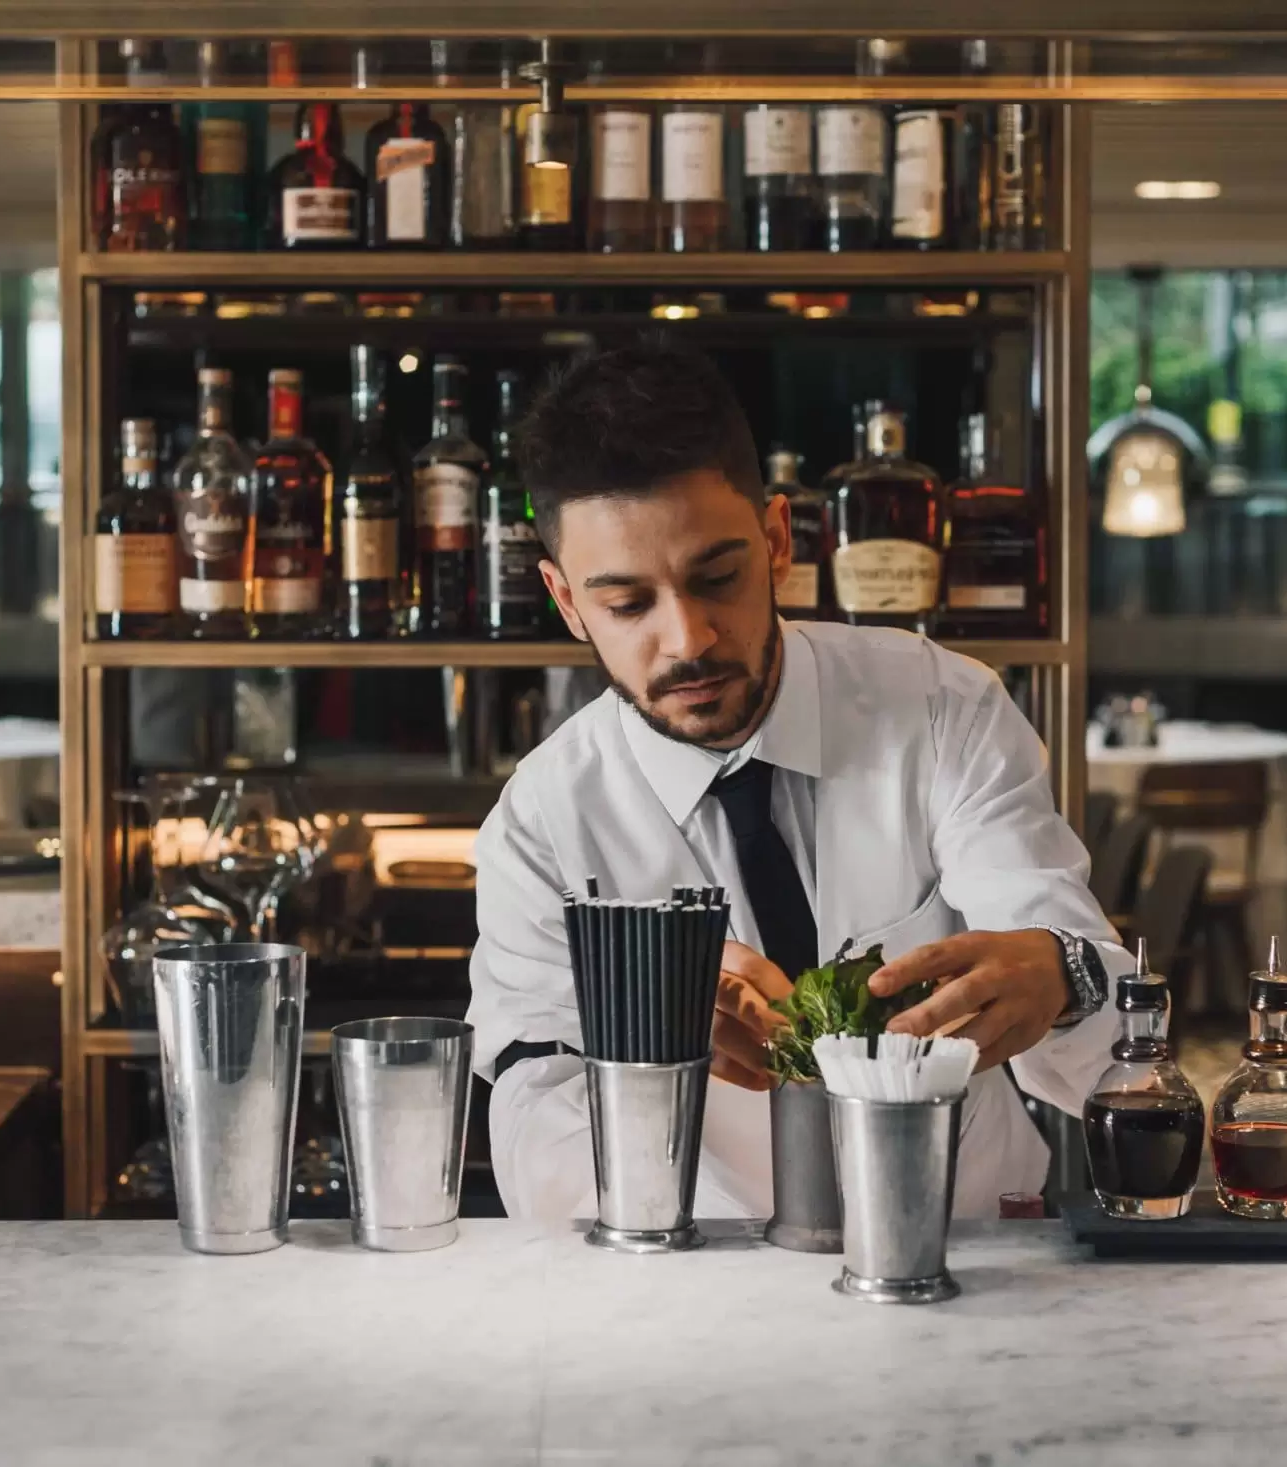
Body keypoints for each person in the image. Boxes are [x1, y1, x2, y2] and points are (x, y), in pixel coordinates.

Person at [465, 344, 1127, 1220]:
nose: (688, 637)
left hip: (974, 1252)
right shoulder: (541, 821)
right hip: (701, 1280)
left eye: (718, 577)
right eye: (628, 604)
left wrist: (1061, 972)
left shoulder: (943, 707)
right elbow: (527, 1121)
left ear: (776, 540)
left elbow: (1111, 1046)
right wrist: (648, 1037)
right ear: (565, 599)